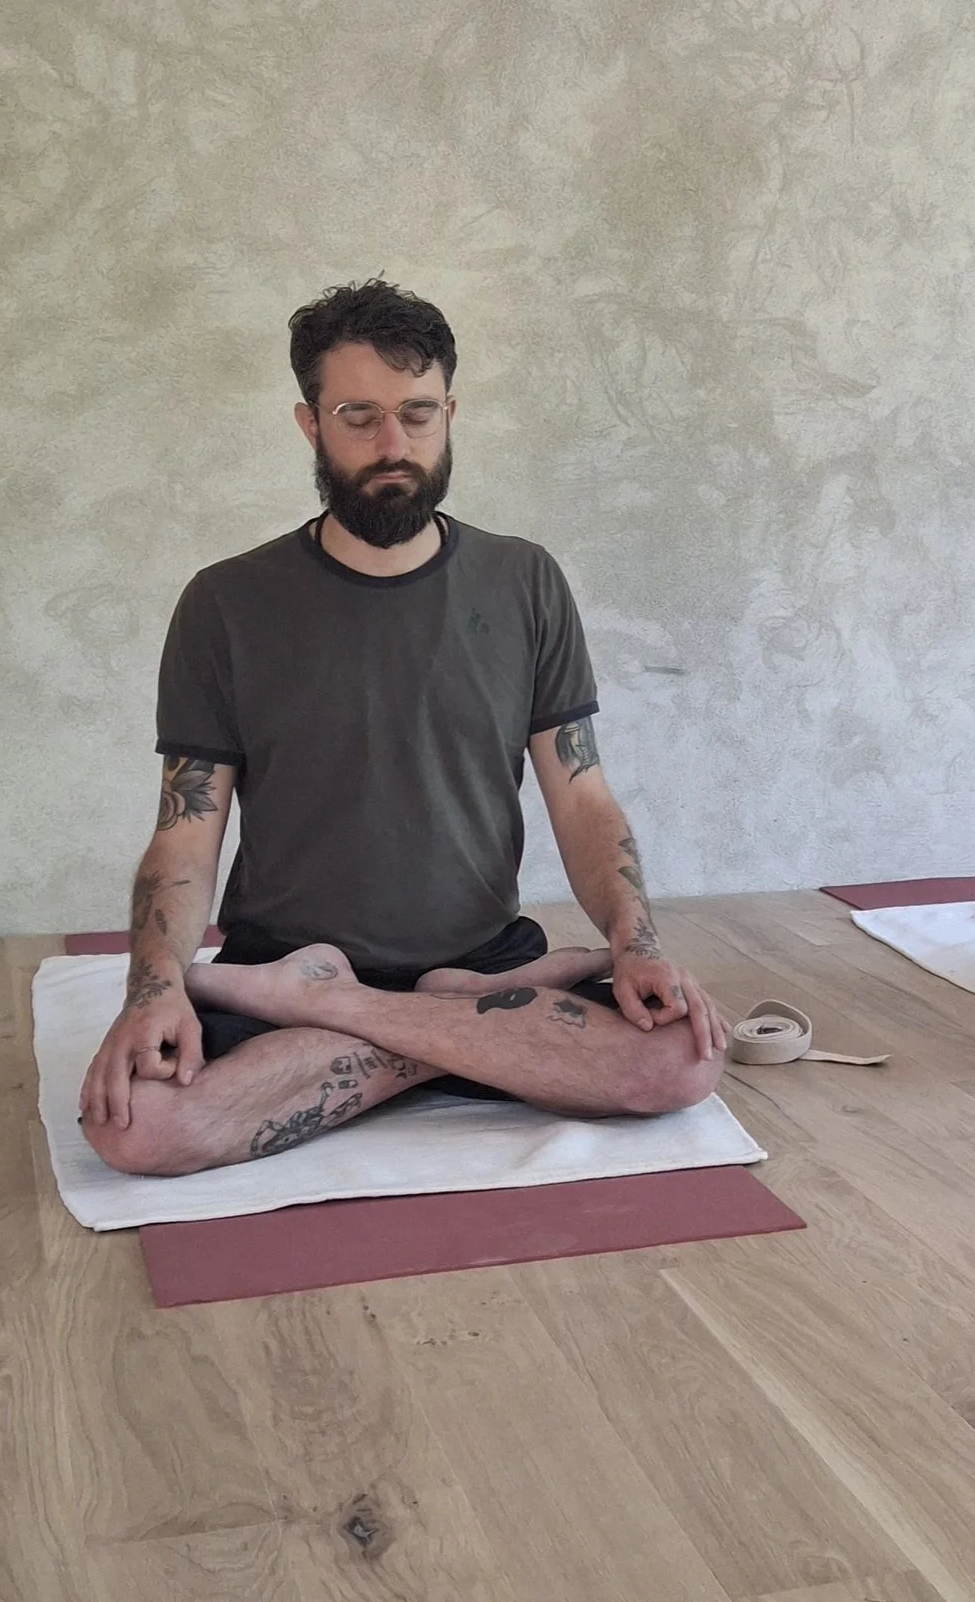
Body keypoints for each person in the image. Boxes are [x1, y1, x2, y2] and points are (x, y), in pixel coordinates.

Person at [78, 278, 730, 1173]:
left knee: (681, 1063)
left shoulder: (524, 582)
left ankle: (340, 1008)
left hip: (475, 957)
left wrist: (636, 944)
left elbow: (582, 802)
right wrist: (152, 990)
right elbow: (185, 837)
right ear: (310, 424)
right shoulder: (226, 602)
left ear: (451, 412)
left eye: (418, 415)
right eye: (360, 416)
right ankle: (467, 1025)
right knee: (137, 1129)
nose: (395, 445)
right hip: (296, 953)